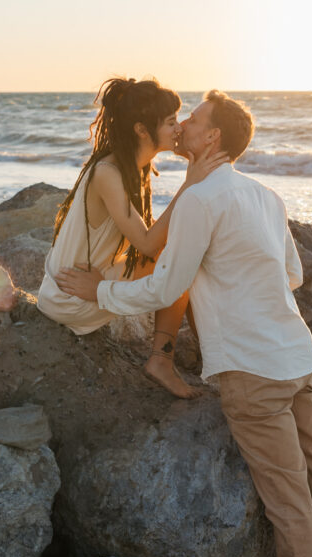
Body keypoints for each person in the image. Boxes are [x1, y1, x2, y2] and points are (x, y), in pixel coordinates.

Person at [55, 89, 312, 557]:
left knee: (289, 500)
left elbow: (163, 287)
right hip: (297, 358)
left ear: (213, 138)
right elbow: (292, 274)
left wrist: (97, 290)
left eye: (192, 121)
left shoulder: (200, 201)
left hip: (252, 369)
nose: (182, 129)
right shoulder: (267, 197)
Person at [37, 77, 226, 399]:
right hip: (72, 294)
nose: (178, 127)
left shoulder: (131, 166)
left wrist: (191, 157)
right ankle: (165, 361)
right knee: (185, 267)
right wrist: (189, 183)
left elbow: (154, 240)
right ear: (142, 130)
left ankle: (207, 357)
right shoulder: (108, 173)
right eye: (170, 122)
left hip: (81, 282)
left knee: (183, 255)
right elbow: (150, 245)